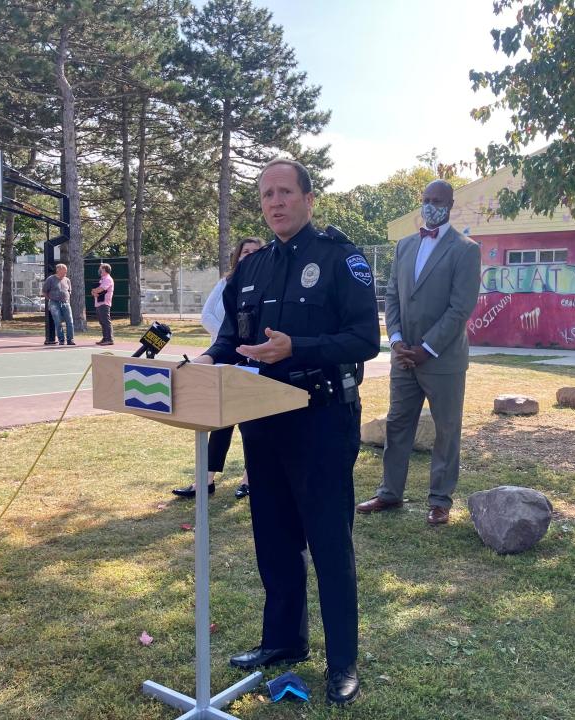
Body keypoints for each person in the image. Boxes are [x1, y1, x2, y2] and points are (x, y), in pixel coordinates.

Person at [190, 158, 379, 705]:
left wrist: (299, 348)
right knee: (273, 540)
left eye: (285, 192)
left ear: (309, 198)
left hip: (320, 419)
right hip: (263, 421)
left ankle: (342, 661)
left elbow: (365, 339)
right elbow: (230, 338)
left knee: (328, 545)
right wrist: (203, 360)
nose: (275, 202)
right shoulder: (250, 270)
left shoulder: (341, 258)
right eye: (266, 194)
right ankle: (283, 641)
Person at [356, 180, 481, 525]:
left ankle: (440, 500)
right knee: (398, 426)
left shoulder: (466, 249)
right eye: (425, 200)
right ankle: (389, 493)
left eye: (437, 200)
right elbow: (393, 297)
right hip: (403, 357)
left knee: (446, 429)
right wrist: (395, 340)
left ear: (450, 204)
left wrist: (426, 349)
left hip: (442, 359)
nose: (430, 206)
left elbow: (460, 307)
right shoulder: (404, 246)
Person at [172, 237, 262, 500]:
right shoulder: (227, 282)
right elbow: (207, 316)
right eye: (246, 251)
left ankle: (250, 478)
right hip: (224, 357)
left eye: (256, 252)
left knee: (250, 422)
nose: (250, 256)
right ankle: (206, 480)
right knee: (220, 422)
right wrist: (230, 337)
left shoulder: (269, 285)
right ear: (238, 255)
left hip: (252, 364)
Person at [42, 263, 75, 346]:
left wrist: (67, 296)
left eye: (66, 272)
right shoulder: (50, 279)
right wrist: (50, 299)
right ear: (58, 270)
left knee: (70, 321)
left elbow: (69, 290)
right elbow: (44, 291)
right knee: (58, 322)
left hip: (65, 302)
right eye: (64, 271)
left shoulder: (67, 280)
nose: (65, 273)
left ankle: (70, 339)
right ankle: (61, 340)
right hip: (54, 303)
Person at [91, 262, 114, 346]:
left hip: (104, 303)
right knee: (102, 321)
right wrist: (94, 292)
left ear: (105, 270)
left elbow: (101, 289)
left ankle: (109, 339)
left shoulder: (108, 279)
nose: (99, 270)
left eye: (101, 268)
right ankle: (105, 338)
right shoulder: (102, 279)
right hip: (99, 303)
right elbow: (95, 291)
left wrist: (95, 291)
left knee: (106, 321)